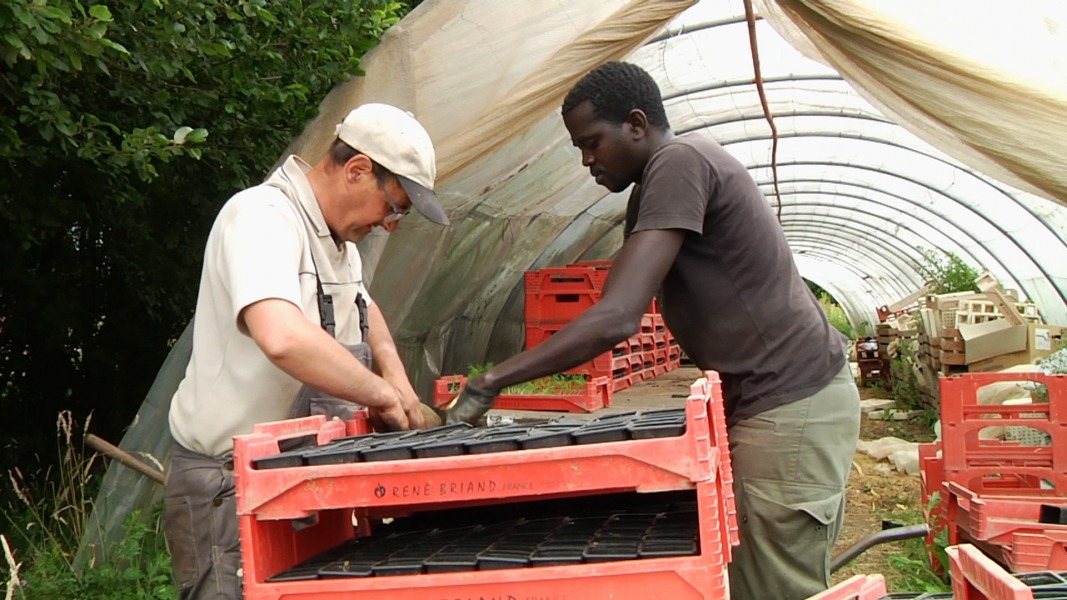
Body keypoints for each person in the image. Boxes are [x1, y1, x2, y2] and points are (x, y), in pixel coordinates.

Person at [446, 62, 860, 599]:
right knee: (744, 573)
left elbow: (616, 317)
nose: (586, 160)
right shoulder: (653, 190)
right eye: (577, 148)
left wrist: (491, 381)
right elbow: (616, 299)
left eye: (592, 142)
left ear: (636, 124)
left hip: (790, 402)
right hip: (767, 401)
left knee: (775, 586)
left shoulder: (680, 162)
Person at [165, 103, 448, 599]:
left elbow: (365, 308)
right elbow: (283, 336)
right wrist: (381, 396)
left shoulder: (339, 243)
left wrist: (397, 376)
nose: (392, 224)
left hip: (295, 480)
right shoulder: (262, 217)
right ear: (358, 170)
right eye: (395, 206)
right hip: (231, 488)